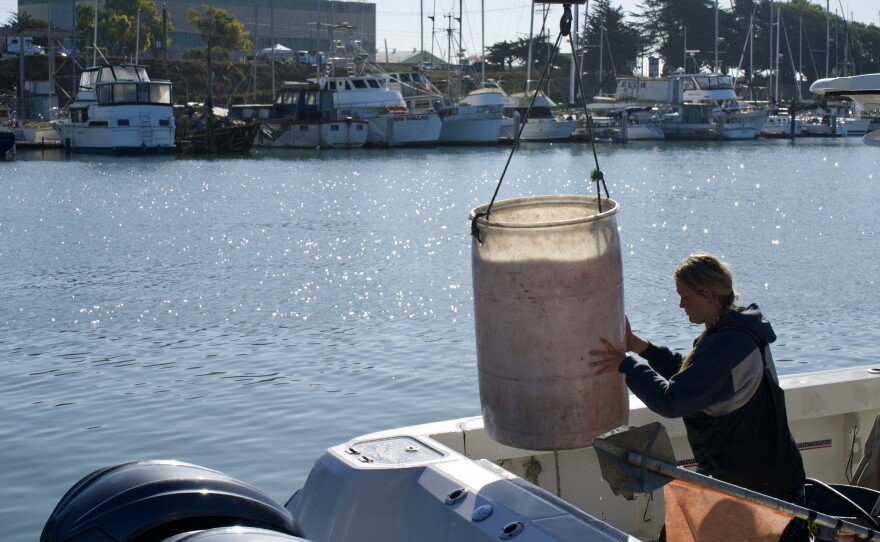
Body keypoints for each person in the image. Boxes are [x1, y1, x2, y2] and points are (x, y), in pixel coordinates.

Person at [590, 253, 811, 541]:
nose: (680, 304)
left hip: (752, 490)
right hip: (775, 480)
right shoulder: (739, 331)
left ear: (706, 294)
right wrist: (641, 347)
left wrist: (626, 365)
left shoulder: (724, 347)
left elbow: (671, 400)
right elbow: (694, 376)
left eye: (685, 296)